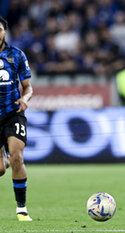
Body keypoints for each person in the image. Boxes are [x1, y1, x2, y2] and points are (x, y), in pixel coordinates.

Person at [0, 16, 33, 221]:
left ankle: (21, 209)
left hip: (13, 113)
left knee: (17, 157)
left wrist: (25, 98)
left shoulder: (16, 55)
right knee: (0, 170)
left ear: (5, 32)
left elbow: (28, 87)